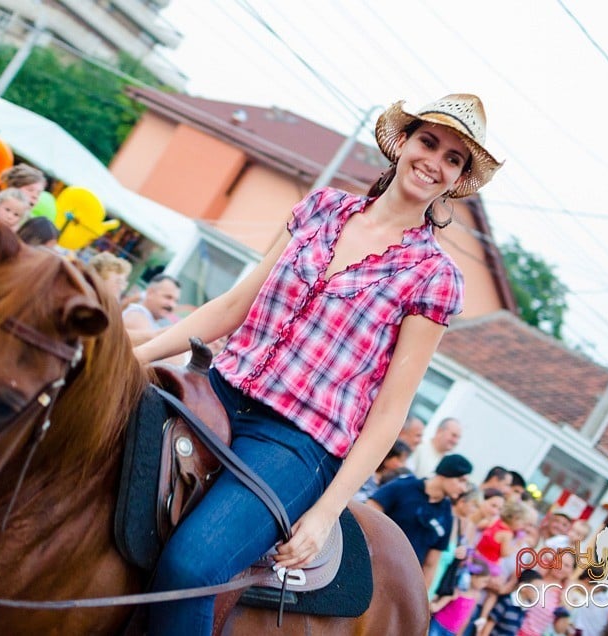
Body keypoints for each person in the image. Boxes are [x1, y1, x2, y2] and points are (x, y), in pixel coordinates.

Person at [133, 93, 502, 635]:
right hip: (218, 388)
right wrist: (132, 356)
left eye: (453, 158)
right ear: (402, 143)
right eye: (429, 141)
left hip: (298, 442)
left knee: (192, 565)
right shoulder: (321, 208)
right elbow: (233, 307)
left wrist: (329, 509)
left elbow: (389, 411)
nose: (435, 160)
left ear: (457, 179)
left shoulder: (435, 276)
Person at [371, 453, 474, 587]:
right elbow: (371, 508)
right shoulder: (404, 487)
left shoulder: (446, 514)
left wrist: (421, 601)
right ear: (446, 474)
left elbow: (431, 564)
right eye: (461, 480)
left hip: (401, 583)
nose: (463, 488)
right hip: (372, 566)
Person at [430, 558, 493, 636]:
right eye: (484, 581)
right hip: (439, 624)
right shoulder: (457, 590)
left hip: (451, 631)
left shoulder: (476, 596)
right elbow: (443, 600)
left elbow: (467, 618)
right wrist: (435, 606)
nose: (485, 585)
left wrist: (460, 633)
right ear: (474, 577)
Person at [478, 569, 543, 636]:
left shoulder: (524, 608)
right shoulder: (506, 602)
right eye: (537, 588)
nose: (539, 593)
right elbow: (487, 627)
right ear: (523, 587)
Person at [354, 438, 411, 502]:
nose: (403, 466)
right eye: (401, 461)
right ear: (387, 456)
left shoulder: (391, 482)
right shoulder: (365, 475)